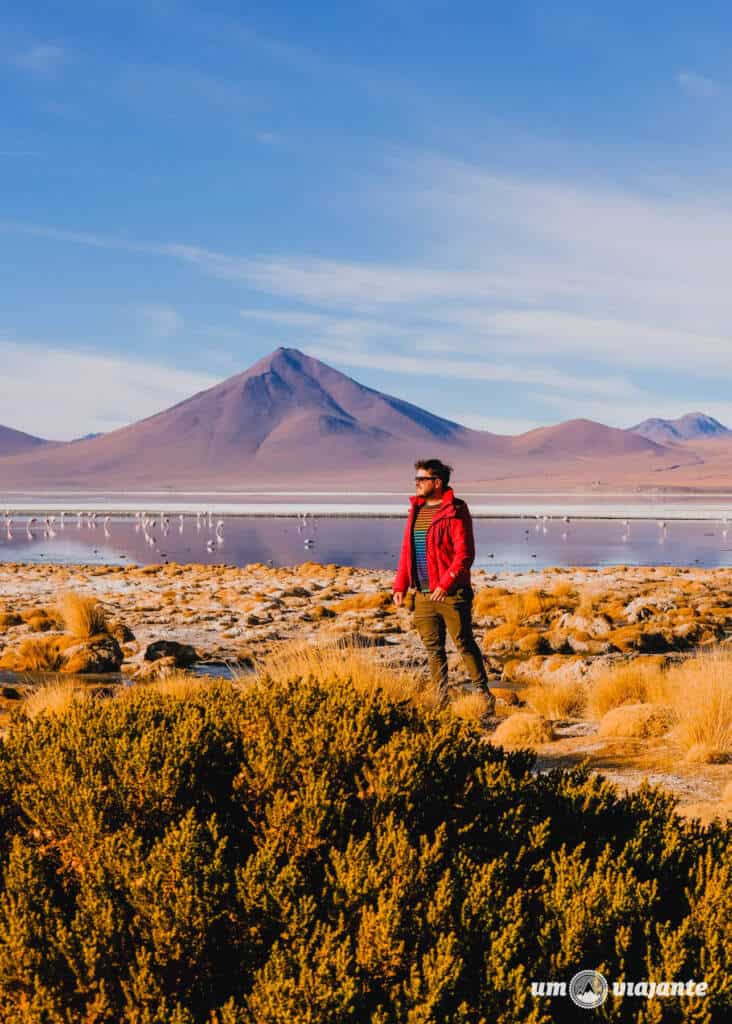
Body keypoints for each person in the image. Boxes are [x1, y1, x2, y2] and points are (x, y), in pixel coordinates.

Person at [392, 458, 495, 711]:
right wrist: (400, 585)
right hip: (423, 594)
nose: (416, 484)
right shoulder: (416, 509)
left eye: (421, 480)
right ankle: (441, 699)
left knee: (463, 642)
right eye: (415, 479)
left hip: (451, 594)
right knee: (433, 648)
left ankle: (483, 694)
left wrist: (446, 583)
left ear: (437, 483)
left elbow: (464, 555)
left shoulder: (456, 510)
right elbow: (408, 550)